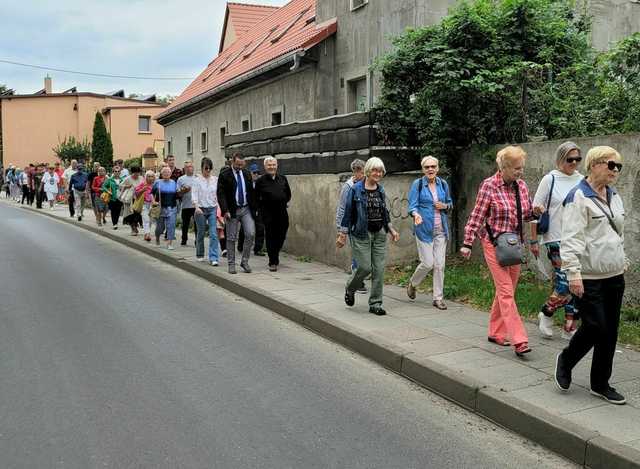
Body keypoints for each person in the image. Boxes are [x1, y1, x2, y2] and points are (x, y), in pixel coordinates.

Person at [555, 146, 628, 405]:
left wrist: (623, 258)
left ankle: (600, 383)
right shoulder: (578, 197)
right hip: (588, 276)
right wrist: (573, 274)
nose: (615, 171)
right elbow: (571, 239)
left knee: (610, 332)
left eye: (618, 167)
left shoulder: (614, 195)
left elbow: (616, 234)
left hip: (614, 274)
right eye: (611, 165)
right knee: (596, 326)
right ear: (594, 164)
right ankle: (566, 359)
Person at [460, 145, 538, 357]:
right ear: (503, 167)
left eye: (521, 167)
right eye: (515, 168)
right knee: (505, 291)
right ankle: (519, 339)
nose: (520, 172)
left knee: (507, 290)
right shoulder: (489, 186)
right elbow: (477, 215)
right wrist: (467, 243)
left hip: (514, 244)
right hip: (493, 243)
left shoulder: (521, 186)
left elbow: (527, 213)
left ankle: (495, 332)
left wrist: (536, 212)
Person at [532, 142, 584, 340]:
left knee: (576, 283)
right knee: (564, 282)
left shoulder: (583, 180)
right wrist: (538, 210)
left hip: (578, 238)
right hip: (555, 237)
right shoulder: (550, 179)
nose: (573, 163)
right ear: (560, 158)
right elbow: (535, 208)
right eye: (569, 159)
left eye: (577, 159)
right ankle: (546, 312)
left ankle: (569, 326)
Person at [337, 157, 400, 316]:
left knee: (378, 270)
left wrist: (391, 229)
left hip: (379, 233)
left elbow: (384, 212)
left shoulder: (381, 189)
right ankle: (350, 287)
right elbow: (348, 213)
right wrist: (342, 234)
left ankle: (375, 303)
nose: (378, 173)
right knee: (365, 267)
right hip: (360, 233)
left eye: (380, 171)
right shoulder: (355, 189)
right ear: (368, 171)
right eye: (375, 170)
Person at [406, 156, 453, 310]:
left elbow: (450, 204)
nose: (430, 169)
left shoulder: (443, 184)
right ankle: (413, 283)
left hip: (441, 231)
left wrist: (444, 205)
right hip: (424, 230)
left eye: (433, 166)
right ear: (423, 170)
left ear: (437, 168)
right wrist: (416, 215)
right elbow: (412, 206)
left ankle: (438, 298)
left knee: (440, 265)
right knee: (428, 263)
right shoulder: (418, 184)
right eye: (427, 167)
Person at [217, 153, 256, 274]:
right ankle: (231, 264)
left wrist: (255, 207)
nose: (240, 166)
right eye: (238, 164)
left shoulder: (246, 173)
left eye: (242, 164)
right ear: (232, 162)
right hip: (232, 210)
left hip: (245, 209)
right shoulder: (225, 175)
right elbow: (221, 194)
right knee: (231, 238)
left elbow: (251, 191)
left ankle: (244, 261)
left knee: (250, 233)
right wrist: (225, 210)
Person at [336, 159, 367, 293]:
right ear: (355, 172)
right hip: (353, 224)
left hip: (365, 224)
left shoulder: (367, 184)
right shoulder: (348, 187)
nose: (362, 174)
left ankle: (357, 276)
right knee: (357, 253)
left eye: (364, 171)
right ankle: (357, 282)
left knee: (363, 253)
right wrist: (341, 229)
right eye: (360, 171)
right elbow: (342, 207)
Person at [255, 157, 291, 271]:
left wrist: (284, 201)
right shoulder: (261, 181)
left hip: (281, 211)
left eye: (273, 164)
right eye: (269, 165)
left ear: (277, 165)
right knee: (270, 236)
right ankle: (273, 261)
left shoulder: (283, 178)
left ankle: (275, 252)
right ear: (265, 167)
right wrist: (259, 210)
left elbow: (288, 194)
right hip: (268, 213)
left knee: (282, 234)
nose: (271, 167)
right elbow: (255, 197)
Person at [192, 157, 220, 265]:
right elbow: (194, 194)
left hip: (212, 208)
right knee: (201, 232)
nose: (208, 171)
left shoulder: (215, 180)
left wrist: (219, 207)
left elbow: (218, 194)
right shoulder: (197, 181)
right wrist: (196, 207)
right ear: (202, 168)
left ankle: (213, 258)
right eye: (206, 168)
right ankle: (200, 253)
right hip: (201, 209)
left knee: (213, 234)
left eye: (210, 169)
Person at [238, 163, 266, 256]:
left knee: (260, 228)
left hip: (258, 209)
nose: (256, 174)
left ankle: (258, 249)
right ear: (250, 173)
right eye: (254, 172)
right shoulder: (247, 183)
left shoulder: (261, 184)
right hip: (248, 208)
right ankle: (240, 246)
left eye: (258, 173)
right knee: (244, 229)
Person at [153, 166, 179, 250]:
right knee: (160, 228)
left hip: (172, 207)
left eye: (168, 172)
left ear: (170, 174)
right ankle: (157, 237)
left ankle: (169, 244)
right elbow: (151, 193)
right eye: (164, 172)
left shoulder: (174, 183)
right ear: (161, 174)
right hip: (161, 208)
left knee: (171, 226)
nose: (166, 174)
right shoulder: (158, 182)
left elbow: (177, 194)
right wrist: (153, 201)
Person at [177, 161, 197, 246]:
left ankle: (197, 240)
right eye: (188, 167)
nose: (190, 168)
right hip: (186, 205)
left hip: (196, 205)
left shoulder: (197, 178)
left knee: (197, 224)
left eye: (191, 166)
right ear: (184, 169)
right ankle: (184, 239)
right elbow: (178, 193)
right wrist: (183, 190)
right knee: (185, 224)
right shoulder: (181, 179)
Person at [119, 166, 142, 235]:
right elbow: (120, 186)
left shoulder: (141, 178)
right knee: (131, 214)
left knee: (137, 214)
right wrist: (127, 186)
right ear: (132, 172)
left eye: (138, 173)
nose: (137, 174)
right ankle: (133, 228)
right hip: (130, 199)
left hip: (139, 199)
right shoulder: (127, 179)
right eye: (135, 173)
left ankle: (135, 226)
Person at [135, 171, 156, 242]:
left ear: (154, 177)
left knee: (149, 220)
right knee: (146, 219)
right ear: (145, 177)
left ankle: (146, 234)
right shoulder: (142, 184)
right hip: (144, 203)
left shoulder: (155, 185)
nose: (150, 178)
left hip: (153, 205)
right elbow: (136, 194)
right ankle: (147, 234)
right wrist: (142, 190)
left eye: (152, 176)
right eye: (148, 176)